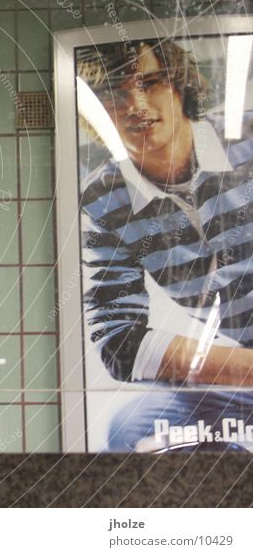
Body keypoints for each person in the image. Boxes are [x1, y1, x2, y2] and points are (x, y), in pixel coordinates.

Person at [76, 38, 253, 451]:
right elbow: (120, 342)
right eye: (112, 95)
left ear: (180, 87)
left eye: (150, 83)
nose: (135, 105)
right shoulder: (106, 199)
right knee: (133, 429)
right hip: (244, 375)